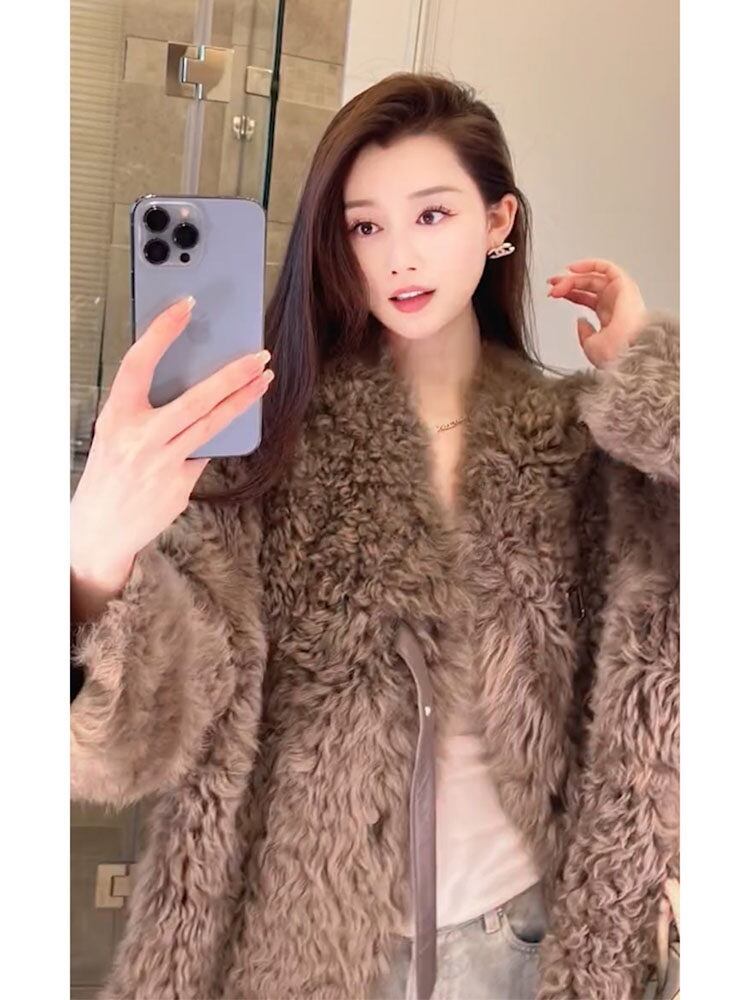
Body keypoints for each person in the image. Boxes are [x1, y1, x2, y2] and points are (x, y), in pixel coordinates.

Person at [70, 72, 679, 1000]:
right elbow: (127, 749)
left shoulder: (577, 444)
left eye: (432, 215)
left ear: (499, 221)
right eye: (364, 226)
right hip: (305, 946)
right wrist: (95, 554)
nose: (398, 257)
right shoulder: (263, 450)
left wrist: (651, 385)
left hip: (526, 941)